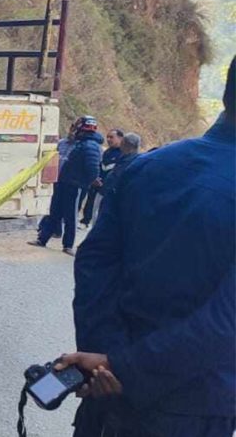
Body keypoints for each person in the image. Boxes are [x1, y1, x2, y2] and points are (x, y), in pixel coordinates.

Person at [61, 56, 235, 437]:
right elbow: (225, 322)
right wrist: (127, 369)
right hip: (191, 409)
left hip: (105, 394)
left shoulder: (148, 166)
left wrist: (107, 361)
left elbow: (94, 263)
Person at [30, 116, 102, 255]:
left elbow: (92, 167)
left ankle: (68, 245)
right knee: (54, 212)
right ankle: (43, 239)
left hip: (74, 185)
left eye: (76, 127)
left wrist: (91, 180)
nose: (73, 129)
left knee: (70, 216)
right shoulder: (81, 143)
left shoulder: (90, 146)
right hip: (63, 182)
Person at [79, 128, 124, 226]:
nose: (108, 139)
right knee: (91, 204)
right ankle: (86, 220)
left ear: (120, 138)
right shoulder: (107, 152)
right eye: (107, 137)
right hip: (97, 185)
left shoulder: (123, 154)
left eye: (111, 137)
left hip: (109, 188)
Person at [96, 132, 139, 211]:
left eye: (122, 142)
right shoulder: (122, 157)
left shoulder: (132, 161)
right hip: (105, 191)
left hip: (114, 196)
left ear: (127, 144)